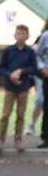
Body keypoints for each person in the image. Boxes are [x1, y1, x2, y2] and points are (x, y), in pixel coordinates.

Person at [0, 25, 38, 154]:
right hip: (10, 88)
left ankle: (18, 139)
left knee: (20, 115)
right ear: (15, 35)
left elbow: (33, 68)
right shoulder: (8, 50)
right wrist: (11, 75)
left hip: (23, 88)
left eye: (23, 33)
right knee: (5, 114)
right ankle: (0, 140)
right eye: (18, 33)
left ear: (27, 36)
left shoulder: (30, 52)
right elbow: (1, 68)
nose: (20, 35)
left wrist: (21, 71)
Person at [36, 18, 48, 149]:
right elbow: (37, 54)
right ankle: (46, 138)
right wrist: (42, 67)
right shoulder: (45, 36)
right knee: (47, 107)